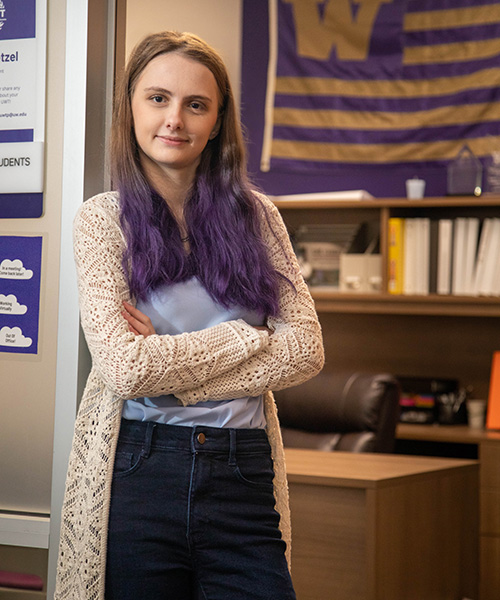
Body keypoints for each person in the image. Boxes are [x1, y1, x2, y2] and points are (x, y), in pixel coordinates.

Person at [55, 31, 324, 600]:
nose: (174, 119)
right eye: (158, 98)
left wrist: (171, 374)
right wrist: (245, 337)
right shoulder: (102, 222)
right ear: (130, 106)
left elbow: (305, 350)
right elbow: (126, 372)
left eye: (195, 104)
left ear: (217, 120)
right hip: (138, 470)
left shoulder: (258, 217)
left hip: (242, 473)